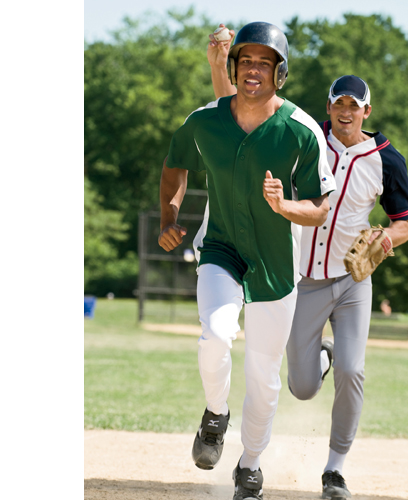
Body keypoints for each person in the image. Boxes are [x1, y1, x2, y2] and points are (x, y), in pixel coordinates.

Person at [208, 27, 408, 500]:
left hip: (352, 282)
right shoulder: (305, 136)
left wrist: (385, 238)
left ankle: (335, 469)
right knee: (301, 387)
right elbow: (240, 116)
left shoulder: (387, 160)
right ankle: (321, 355)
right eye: (339, 103)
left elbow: (404, 223)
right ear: (329, 107)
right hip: (303, 281)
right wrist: (221, 66)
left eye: (354, 105)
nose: (346, 111)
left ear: (366, 112)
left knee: (353, 371)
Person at [159, 22, 336, 500]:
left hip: (275, 265)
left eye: (265, 62)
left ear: (280, 73)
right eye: (246, 61)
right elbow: (175, 164)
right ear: (234, 68)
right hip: (221, 248)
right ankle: (215, 415)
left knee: (263, 377)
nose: (254, 69)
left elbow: (319, 208)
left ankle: (250, 465)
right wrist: (169, 215)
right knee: (216, 334)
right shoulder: (206, 120)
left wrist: (284, 205)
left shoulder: (301, 131)